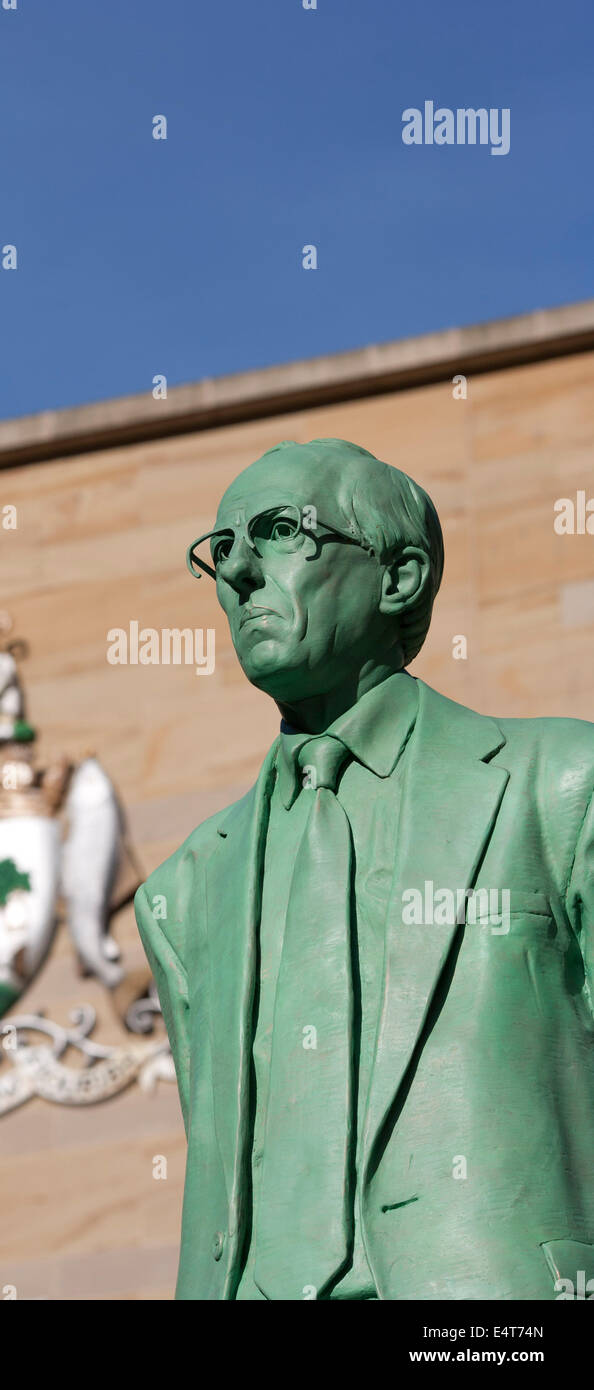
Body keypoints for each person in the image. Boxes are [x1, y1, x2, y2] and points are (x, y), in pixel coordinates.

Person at [135, 437, 594, 1300]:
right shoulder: (186, 891)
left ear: (400, 576)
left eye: (278, 532)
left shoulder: (560, 785)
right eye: (221, 549)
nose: (238, 573)